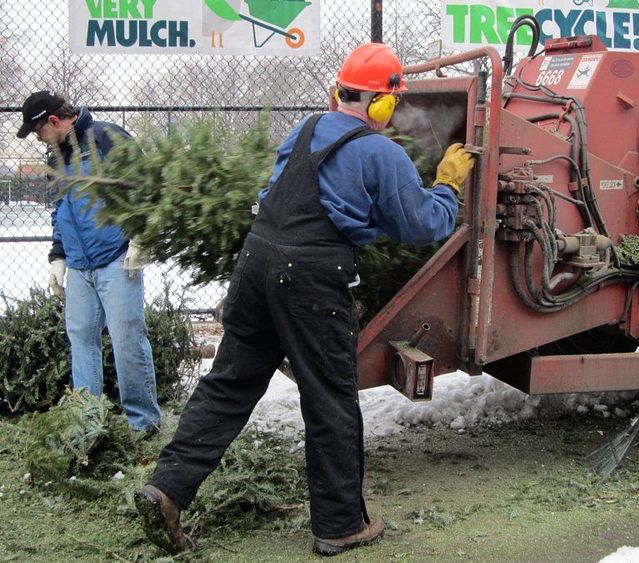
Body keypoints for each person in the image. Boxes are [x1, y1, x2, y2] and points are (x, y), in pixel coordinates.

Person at [134, 43, 474, 556]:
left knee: (229, 385)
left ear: (338, 92)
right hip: (312, 280)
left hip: (256, 264)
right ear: (382, 104)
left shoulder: (306, 128)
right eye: (392, 104)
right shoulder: (381, 152)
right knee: (329, 398)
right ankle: (340, 525)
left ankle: (168, 488)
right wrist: (447, 184)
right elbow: (421, 224)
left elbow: (301, 196)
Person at [17, 91, 161, 435]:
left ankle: (143, 423)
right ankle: (86, 420)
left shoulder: (107, 138)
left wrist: (142, 237)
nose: (40, 138)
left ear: (53, 121)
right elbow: (60, 210)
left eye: (39, 131)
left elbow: (146, 187)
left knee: (127, 338)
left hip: (116, 259)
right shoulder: (55, 159)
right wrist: (58, 256)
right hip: (80, 266)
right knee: (81, 339)